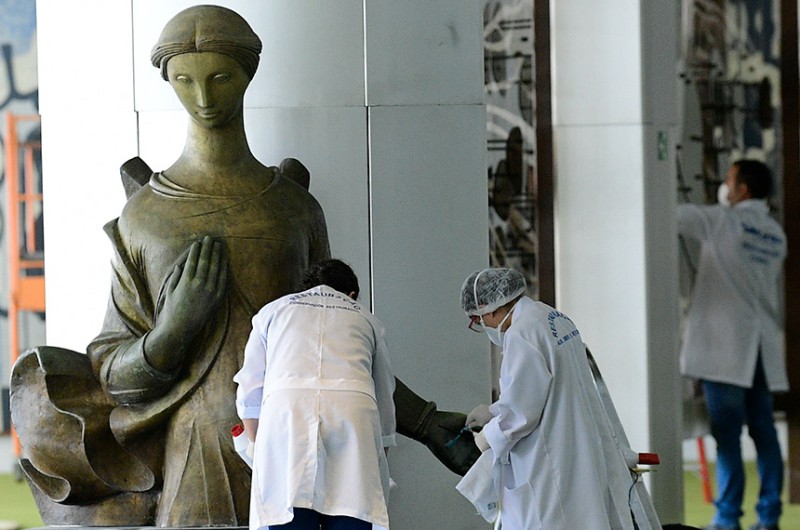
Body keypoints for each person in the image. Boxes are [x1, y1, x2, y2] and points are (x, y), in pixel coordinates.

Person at [455, 267, 638, 530]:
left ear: (489, 307)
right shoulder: (551, 316)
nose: (484, 326)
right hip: (579, 449)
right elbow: (546, 388)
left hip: (550, 463)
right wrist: (494, 412)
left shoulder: (521, 334)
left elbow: (520, 414)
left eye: (478, 320)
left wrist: (486, 438)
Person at [234, 259, 395, 530]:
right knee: (352, 508)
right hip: (352, 411)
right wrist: (378, 453)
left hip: (286, 411)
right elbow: (384, 393)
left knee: (288, 509)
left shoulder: (273, 311)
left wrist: (260, 451)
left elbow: (249, 391)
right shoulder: (366, 318)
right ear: (352, 295)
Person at [677, 159, 787, 530]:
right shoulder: (775, 234)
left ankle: (727, 519)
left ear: (741, 190)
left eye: (728, 179)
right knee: (765, 435)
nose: (725, 185)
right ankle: (769, 518)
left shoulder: (721, 221)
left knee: (727, 436)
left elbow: (668, 214)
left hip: (725, 350)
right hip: (760, 349)